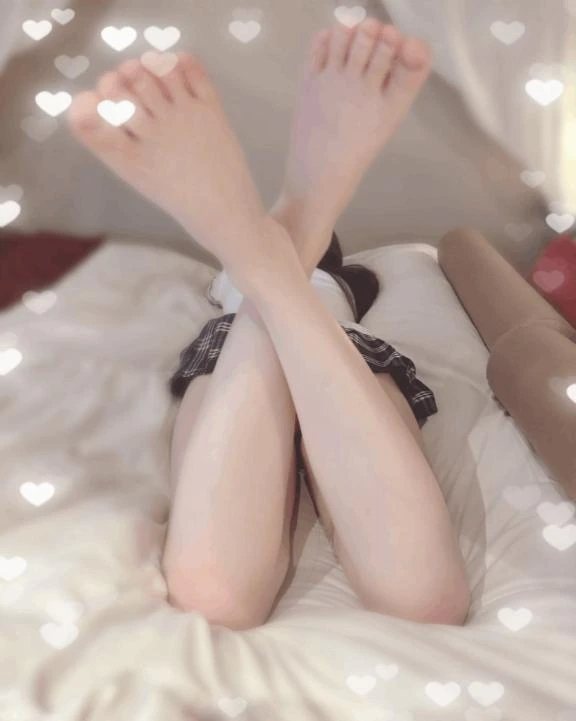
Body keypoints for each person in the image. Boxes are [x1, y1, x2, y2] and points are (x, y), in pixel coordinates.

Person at [66, 16, 471, 631]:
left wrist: (256, 270)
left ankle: (261, 250)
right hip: (327, 339)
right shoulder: (343, 287)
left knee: (419, 604)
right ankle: (293, 234)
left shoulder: (350, 284)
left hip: (291, 333)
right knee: (222, 601)